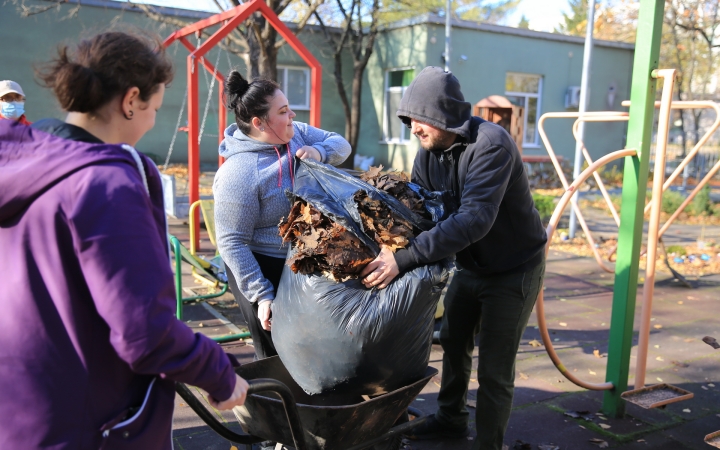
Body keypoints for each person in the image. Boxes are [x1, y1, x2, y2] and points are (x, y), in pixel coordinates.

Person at [0, 31, 248, 450]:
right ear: (131, 100)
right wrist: (221, 374)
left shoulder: (23, 164)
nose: (152, 118)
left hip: (21, 405)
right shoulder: (105, 186)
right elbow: (144, 332)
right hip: (90, 422)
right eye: (154, 106)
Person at [361, 66, 547, 450]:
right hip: (469, 264)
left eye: (417, 118)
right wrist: (389, 246)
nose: (412, 127)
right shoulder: (428, 153)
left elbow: (473, 219)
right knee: (454, 340)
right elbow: (420, 213)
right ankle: (451, 420)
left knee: (494, 369)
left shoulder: (490, 145)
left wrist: (406, 259)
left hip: (513, 269)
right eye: (408, 119)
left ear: (439, 114)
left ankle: (488, 445)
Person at [214, 70, 351, 361]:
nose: (293, 115)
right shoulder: (238, 174)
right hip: (258, 264)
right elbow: (231, 243)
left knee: (308, 345)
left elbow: (341, 144)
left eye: (289, 108)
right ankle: (265, 402)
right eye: (284, 111)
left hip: (298, 256)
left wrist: (318, 152)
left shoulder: (295, 133)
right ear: (258, 122)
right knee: (275, 349)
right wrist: (262, 295)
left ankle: (308, 401)